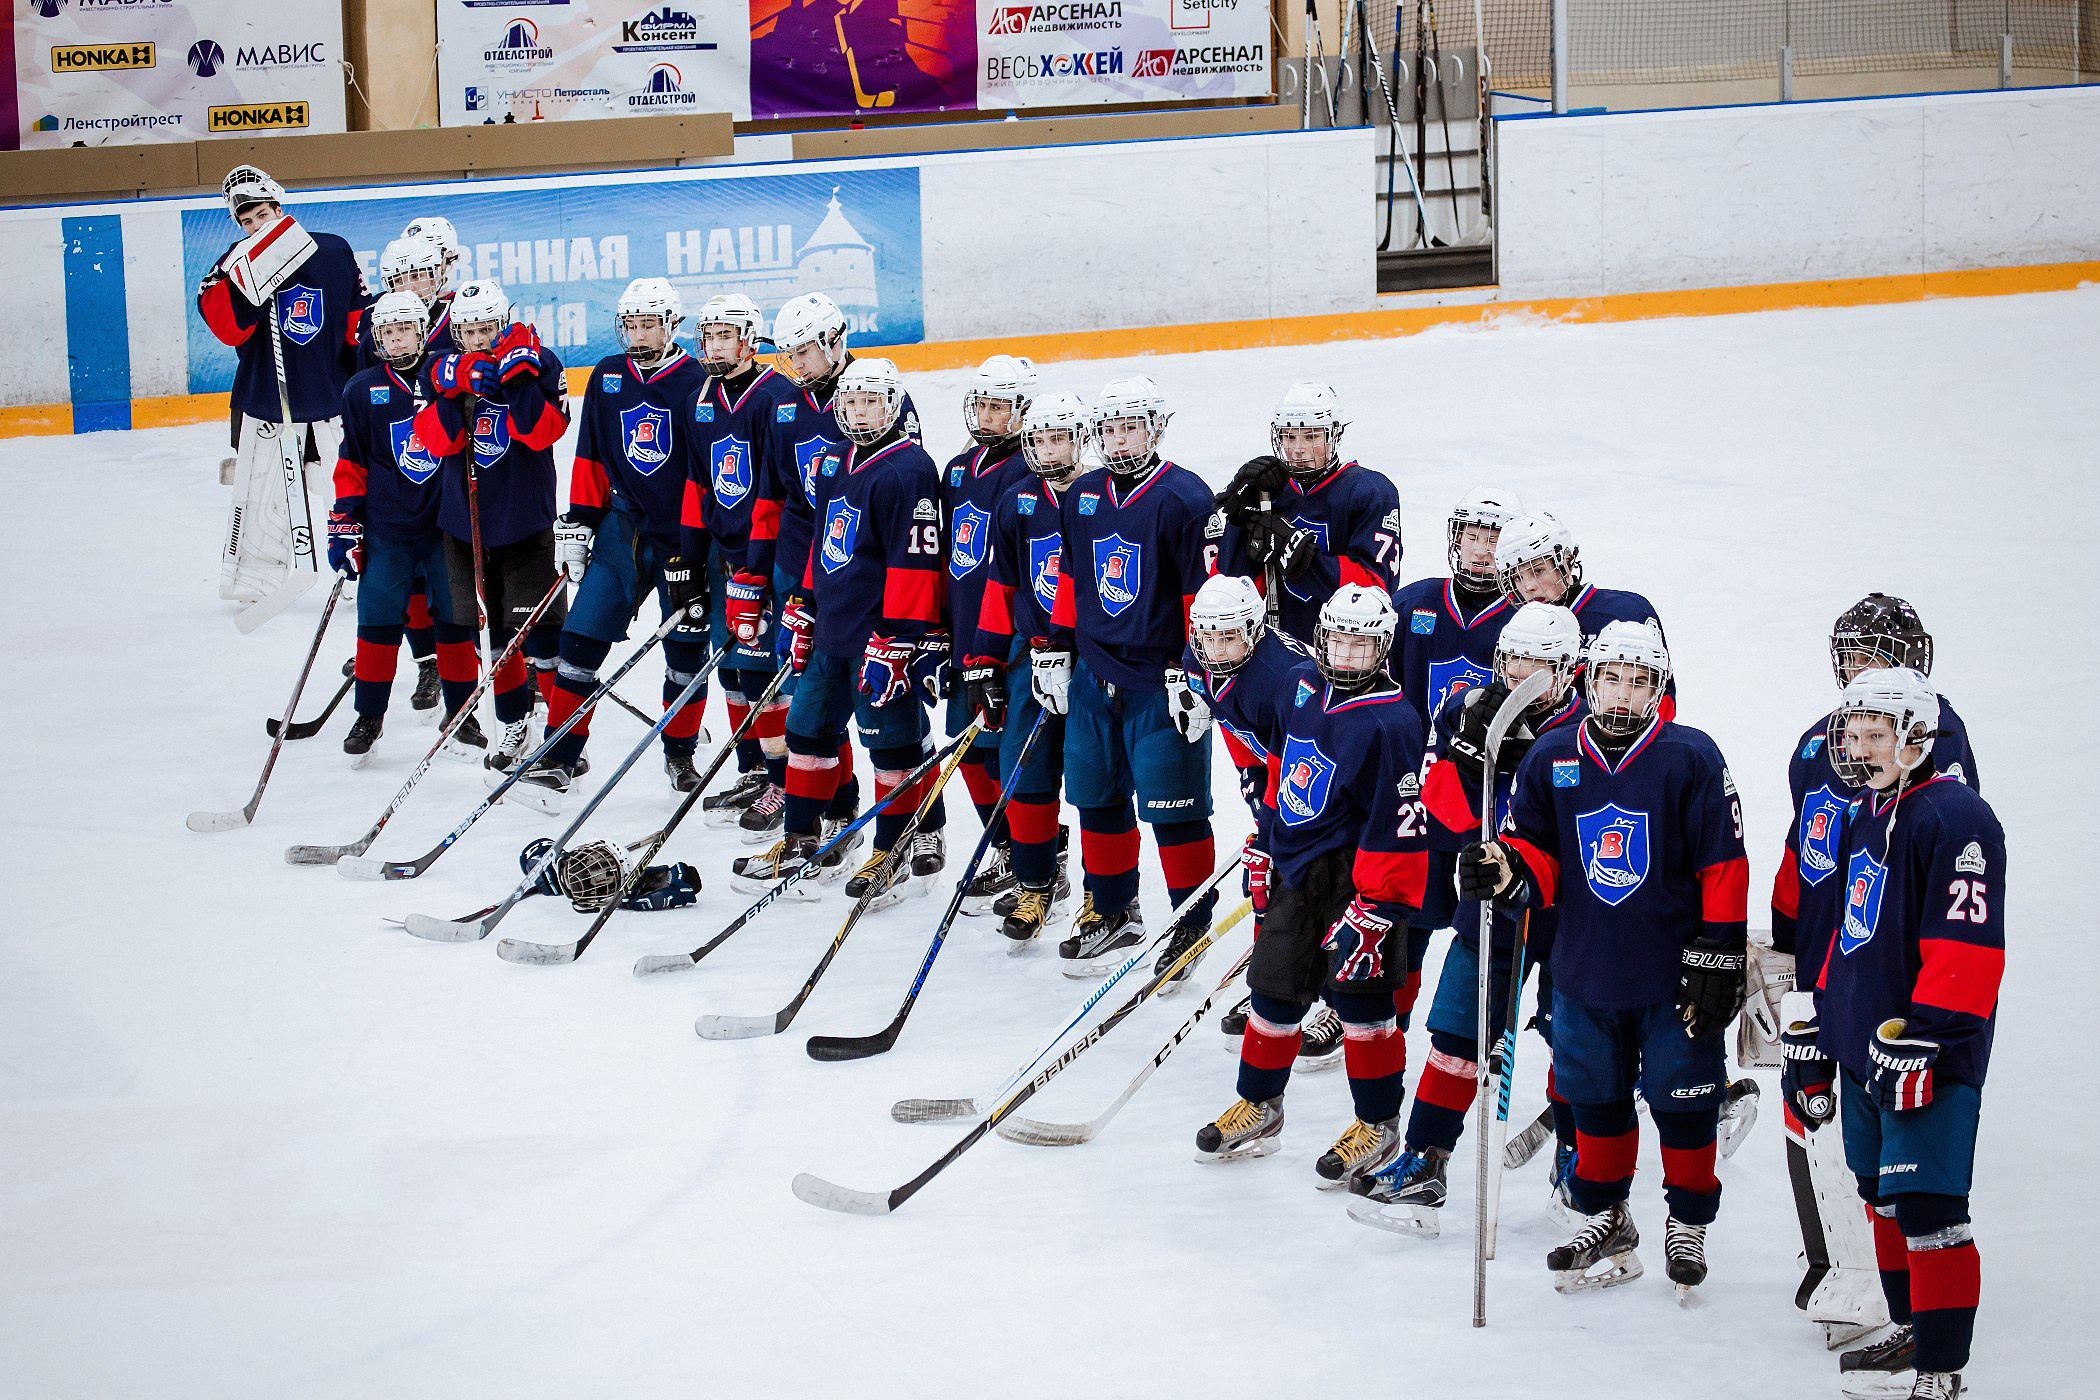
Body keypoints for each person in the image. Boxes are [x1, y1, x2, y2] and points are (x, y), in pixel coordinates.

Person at [1459, 620, 1747, 1297]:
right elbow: (1538, 853)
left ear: (1658, 689)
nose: (1623, 695)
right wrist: (1503, 867)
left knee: (1684, 1098)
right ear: (1590, 680)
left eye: (1639, 682)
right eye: (1613, 679)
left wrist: (1720, 950)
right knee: (1594, 1098)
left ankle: (1689, 1221)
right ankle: (1607, 1216)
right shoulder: (1553, 754)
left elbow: (1723, 862)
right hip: (1584, 964)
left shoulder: (1691, 756)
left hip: (1671, 970)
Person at [1766, 594, 1981, 1353]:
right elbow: (1804, 853)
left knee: (1917, 1179)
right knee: (1829, 1132)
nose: (1861, 668)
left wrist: (1928, 1020)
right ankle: (1846, 1272)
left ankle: (1919, 1328)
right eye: (1852, 653)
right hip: (1837, 977)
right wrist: (1790, 962)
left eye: (1878, 652)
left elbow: (1945, 905)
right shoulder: (1818, 747)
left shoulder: (1938, 757)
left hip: (1899, 993)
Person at [1349, 601, 1586, 1236]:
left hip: (1577, 914)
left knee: (1575, 1036)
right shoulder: (1466, 709)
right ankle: (1425, 1158)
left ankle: (1577, 1155)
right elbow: (1441, 810)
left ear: (1568, 671)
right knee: (1457, 1029)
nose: (1521, 674)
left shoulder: (1589, 732)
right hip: (1490, 901)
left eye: (1539, 663)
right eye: (1513, 659)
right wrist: (1473, 759)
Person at [1194, 584, 1429, 1190]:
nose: (1347, 655)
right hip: (1299, 868)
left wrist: (1376, 911)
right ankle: (1260, 1106)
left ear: (1383, 647)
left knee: (1363, 1009)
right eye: (1339, 640)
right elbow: (1285, 766)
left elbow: (1400, 826)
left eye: (1362, 645)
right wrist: (1267, 839)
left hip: (1356, 880)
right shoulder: (1303, 686)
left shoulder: (1393, 721)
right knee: (1273, 991)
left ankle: (1377, 1124)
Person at [731, 358, 945, 908]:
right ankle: (800, 841)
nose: (857, 411)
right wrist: (801, 603)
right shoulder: (835, 459)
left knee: (891, 748)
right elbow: (822, 543)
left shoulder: (911, 470)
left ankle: (891, 852)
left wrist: (898, 639)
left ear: (894, 405)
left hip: (879, 639)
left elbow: (916, 563)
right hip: (831, 630)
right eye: (849, 402)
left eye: (870, 402)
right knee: (807, 733)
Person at [1034, 377, 1220, 983]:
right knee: (1096, 796)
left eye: (1130, 426)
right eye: (1109, 429)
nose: (1118, 439)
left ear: (1155, 427)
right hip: (1094, 671)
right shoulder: (1082, 494)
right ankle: (1112, 908)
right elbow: (1069, 579)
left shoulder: (1186, 497)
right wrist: (1056, 649)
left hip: (1162, 680)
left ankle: (1191, 924)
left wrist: (1197, 671)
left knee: (1174, 807)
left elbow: (1201, 594)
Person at [526, 278, 711, 800]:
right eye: (630, 324)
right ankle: (560, 754)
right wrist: (581, 519)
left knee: (686, 656)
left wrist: (700, 547)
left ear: (672, 324)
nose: (638, 334)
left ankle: (680, 753)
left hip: (682, 537)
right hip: (623, 528)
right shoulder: (609, 374)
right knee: (579, 641)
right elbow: (591, 452)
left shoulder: (695, 380)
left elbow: (707, 472)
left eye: (649, 323)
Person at [407, 279, 571, 769]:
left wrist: (518, 383)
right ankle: (512, 723)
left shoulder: (542, 363)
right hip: (464, 525)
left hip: (525, 520)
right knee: (496, 640)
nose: (478, 339)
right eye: (469, 330)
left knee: (541, 634)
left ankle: (562, 727)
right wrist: (454, 387)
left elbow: (543, 433)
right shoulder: (442, 367)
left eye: (487, 329)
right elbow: (437, 443)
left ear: (503, 324)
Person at [1180, 572, 1340, 1064]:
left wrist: (1271, 817)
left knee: (1322, 885)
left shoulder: (1280, 679)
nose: (1217, 648)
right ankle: (1273, 973)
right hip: (1280, 773)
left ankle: (1335, 998)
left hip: (1328, 783)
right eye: (1207, 635)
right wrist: (1250, 773)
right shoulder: (1198, 660)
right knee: (1270, 877)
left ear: (1253, 629)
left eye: (1228, 636)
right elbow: (1234, 725)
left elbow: (1298, 756)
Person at [199, 164, 368, 604]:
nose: (255, 226)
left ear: (279, 206)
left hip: (332, 391)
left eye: (261, 214)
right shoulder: (236, 262)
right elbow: (227, 327)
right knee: (261, 492)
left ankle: (359, 565)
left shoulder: (332, 251)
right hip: (266, 397)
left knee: (346, 483)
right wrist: (248, 279)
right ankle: (256, 579)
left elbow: (357, 322)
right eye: (246, 221)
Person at [326, 292, 469, 761]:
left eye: (403, 329)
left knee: (454, 620)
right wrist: (345, 519)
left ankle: (461, 711)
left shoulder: (449, 376)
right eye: (385, 332)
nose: (394, 338)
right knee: (377, 623)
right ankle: (369, 715)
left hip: (445, 525)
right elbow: (353, 459)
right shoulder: (361, 387)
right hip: (387, 526)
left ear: (424, 329)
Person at [964, 389, 1084, 942]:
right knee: (1025, 767)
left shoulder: (1098, 495)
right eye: (1036, 439)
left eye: (1057, 438)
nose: (1045, 450)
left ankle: (1107, 899)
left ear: (1081, 439)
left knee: (1097, 781)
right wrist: (984, 660)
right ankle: (1037, 883)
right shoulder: (1019, 499)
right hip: (1030, 659)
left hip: (1093, 661)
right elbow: (1001, 583)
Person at [676, 294, 799, 830]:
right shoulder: (701, 396)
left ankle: (785, 779)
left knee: (767, 674)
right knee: (735, 669)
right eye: (709, 337)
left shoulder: (777, 397)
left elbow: (780, 491)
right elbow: (698, 482)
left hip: (769, 558)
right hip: (729, 557)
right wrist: (687, 559)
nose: (715, 346)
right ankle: (757, 770)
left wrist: (760, 565)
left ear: (751, 340)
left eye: (726, 336)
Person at [939, 355, 1038, 914]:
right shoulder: (956, 468)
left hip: (1011, 635)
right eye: (982, 404)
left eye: (1000, 407)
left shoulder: (1031, 473)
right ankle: (1004, 847)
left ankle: (1034, 855)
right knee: (967, 749)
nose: (988, 416)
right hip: (963, 629)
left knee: (1006, 752)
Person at [1210, 383, 1404, 645]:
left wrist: (1300, 557)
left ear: (1334, 434)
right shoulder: (1271, 492)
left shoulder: (1369, 491)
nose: (1298, 449)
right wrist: (1239, 523)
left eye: (1311, 437)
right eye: (1289, 437)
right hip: (1281, 649)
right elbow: (1231, 590)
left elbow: (1376, 591)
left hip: (1349, 652)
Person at [358, 232, 455, 713]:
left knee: (456, 589)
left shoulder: (461, 322)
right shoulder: (379, 327)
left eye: (422, 276)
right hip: (397, 485)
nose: (414, 287)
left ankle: (475, 661)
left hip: (447, 487)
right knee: (409, 581)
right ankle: (427, 660)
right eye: (403, 279)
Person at [1495, 509, 1675, 715]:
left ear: (1567, 560)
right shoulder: (1517, 626)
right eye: (1517, 578)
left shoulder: (1624, 612)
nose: (1528, 586)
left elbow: (1663, 699)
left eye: (1538, 571)